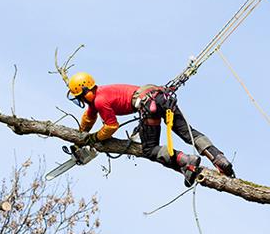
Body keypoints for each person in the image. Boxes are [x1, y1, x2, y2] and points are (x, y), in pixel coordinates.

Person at [67, 72, 235, 186]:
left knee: (150, 149)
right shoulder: (102, 94)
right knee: (187, 133)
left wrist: (93, 138)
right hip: (160, 98)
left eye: (81, 96)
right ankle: (219, 158)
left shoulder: (99, 100)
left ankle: (186, 162)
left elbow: (111, 126)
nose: (82, 100)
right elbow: (88, 118)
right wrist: (80, 137)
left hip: (149, 107)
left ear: (86, 90)